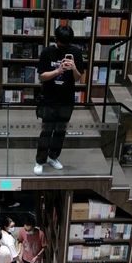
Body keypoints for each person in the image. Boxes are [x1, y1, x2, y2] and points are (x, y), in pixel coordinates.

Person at [34, 25, 85, 175]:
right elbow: (42, 76)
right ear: (56, 39)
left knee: (60, 131)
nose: (64, 47)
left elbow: (77, 78)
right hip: (49, 99)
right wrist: (58, 71)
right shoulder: (47, 52)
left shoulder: (75, 52)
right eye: (62, 44)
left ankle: (53, 157)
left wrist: (74, 67)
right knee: (46, 131)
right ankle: (39, 161)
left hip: (66, 100)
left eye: (67, 44)